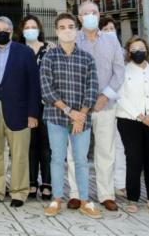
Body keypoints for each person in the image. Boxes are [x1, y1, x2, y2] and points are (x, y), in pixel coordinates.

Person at [40, 13, 101, 219]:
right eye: (62, 27)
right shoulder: (49, 57)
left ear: (77, 30)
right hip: (56, 118)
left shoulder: (87, 58)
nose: (67, 30)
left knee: (81, 160)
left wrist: (81, 115)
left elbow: (92, 88)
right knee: (57, 159)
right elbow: (47, 90)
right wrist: (70, 112)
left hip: (81, 120)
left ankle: (84, 200)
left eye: (71, 27)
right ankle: (56, 199)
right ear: (56, 31)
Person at [67, 1, 125, 212]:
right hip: (78, 109)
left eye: (94, 12)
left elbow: (119, 72)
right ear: (79, 18)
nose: (91, 15)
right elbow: (67, 72)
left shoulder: (111, 41)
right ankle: (76, 194)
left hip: (105, 106)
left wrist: (104, 96)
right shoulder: (72, 40)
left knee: (105, 152)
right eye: (86, 13)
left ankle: (106, 194)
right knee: (76, 153)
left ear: (99, 16)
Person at [0, 16, 40, 208]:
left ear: (11, 32)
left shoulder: (25, 52)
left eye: (5, 30)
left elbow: (34, 85)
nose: (2, 33)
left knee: (19, 154)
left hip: (20, 111)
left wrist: (33, 114)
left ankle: (19, 192)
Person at [115, 36, 149, 214]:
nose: (137, 52)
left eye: (141, 48)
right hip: (130, 121)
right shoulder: (123, 71)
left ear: (147, 51)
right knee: (134, 159)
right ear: (128, 52)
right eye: (133, 49)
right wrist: (141, 116)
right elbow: (120, 97)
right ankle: (132, 199)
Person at [21, 14, 51, 202]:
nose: (30, 30)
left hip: (47, 103)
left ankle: (47, 184)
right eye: (27, 27)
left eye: (34, 27)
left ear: (39, 29)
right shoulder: (18, 49)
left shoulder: (50, 49)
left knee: (46, 145)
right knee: (29, 145)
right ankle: (31, 183)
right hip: (25, 105)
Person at [100, 15, 127, 198]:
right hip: (104, 104)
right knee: (106, 148)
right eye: (105, 29)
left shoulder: (125, 53)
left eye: (112, 29)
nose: (110, 32)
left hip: (123, 106)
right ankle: (107, 185)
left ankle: (120, 183)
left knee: (120, 146)